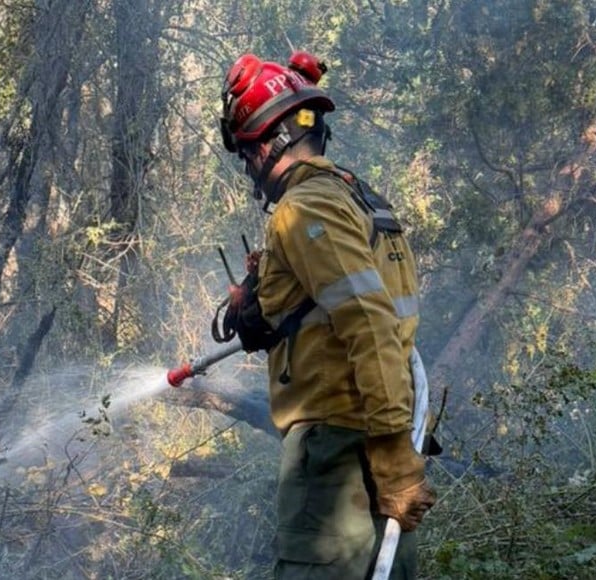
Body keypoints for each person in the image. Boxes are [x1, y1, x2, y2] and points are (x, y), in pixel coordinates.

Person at [216, 51, 437, 579]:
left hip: (340, 462)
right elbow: (341, 317)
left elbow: (370, 324)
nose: (250, 171)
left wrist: (391, 456)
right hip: (375, 448)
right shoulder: (362, 202)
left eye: (248, 156)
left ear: (270, 143)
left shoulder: (303, 210)